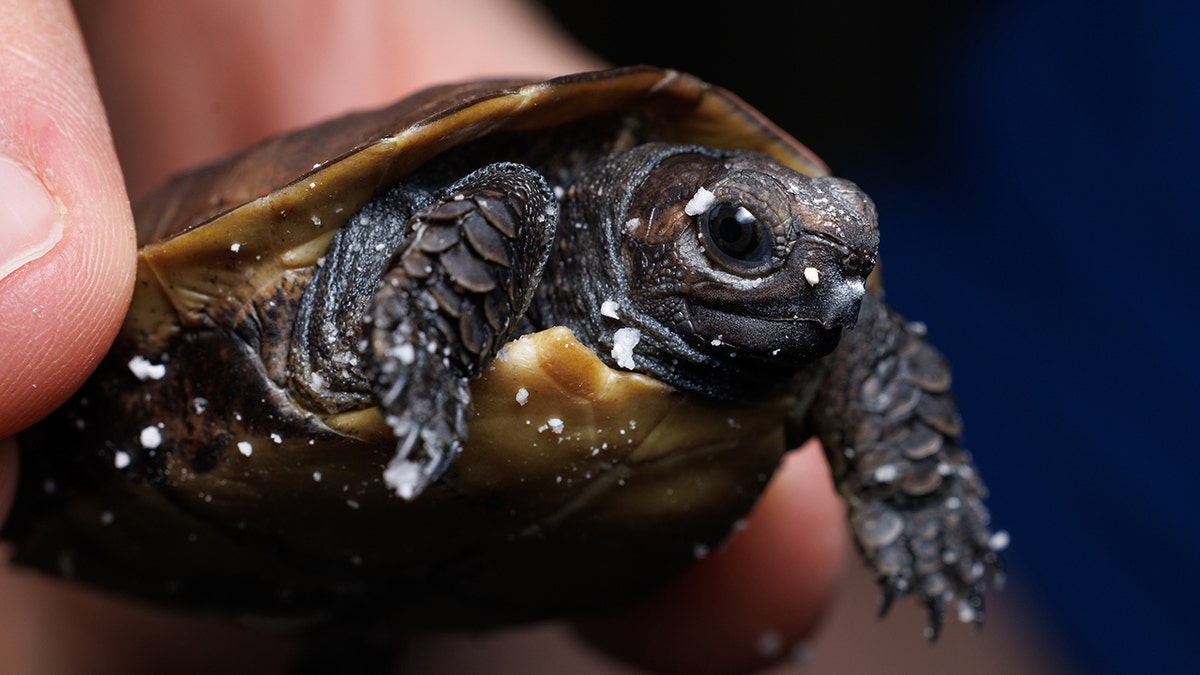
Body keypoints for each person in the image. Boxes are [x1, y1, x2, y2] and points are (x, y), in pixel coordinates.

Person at [0, 2, 847, 672]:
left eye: (849, 260)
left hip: (417, 583)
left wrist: (910, 488)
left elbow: (846, 320)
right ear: (637, 222)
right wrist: (424, 345)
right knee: (508, 197)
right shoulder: (514, 201)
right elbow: (500, 201)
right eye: (737, 236)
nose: (821, 288)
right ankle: (409, 351)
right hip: (178, 405)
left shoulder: (801, 337)